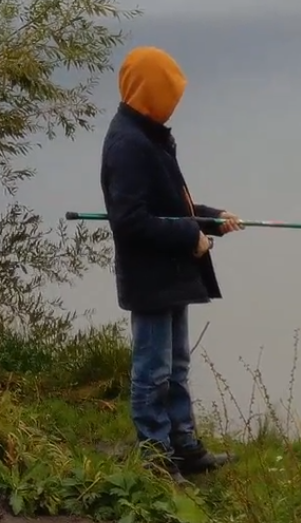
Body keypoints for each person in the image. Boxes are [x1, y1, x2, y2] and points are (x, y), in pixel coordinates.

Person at [99, 45, 244, 483]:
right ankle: (157, 458)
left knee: (177, 365)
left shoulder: (151, 134)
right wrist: (189, 236)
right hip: (150, 277)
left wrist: (212, 219)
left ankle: (184, 445)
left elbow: (171, 206)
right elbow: (130, 222)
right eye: (169, 96)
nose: (174, 105)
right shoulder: (127, 144)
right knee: (152, 370)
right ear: (148, 93)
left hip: (172, 274)